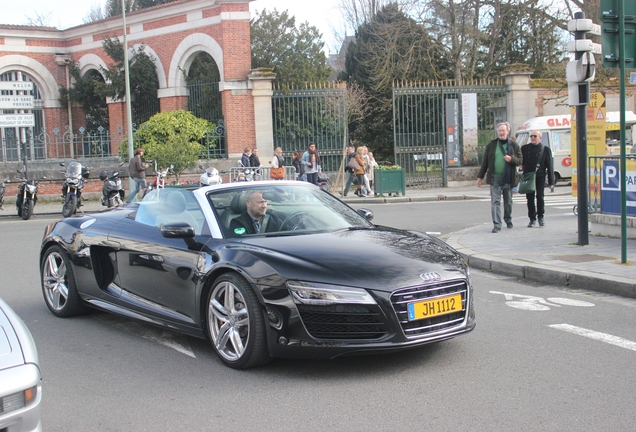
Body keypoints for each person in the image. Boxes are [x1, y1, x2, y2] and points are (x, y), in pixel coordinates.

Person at [477, 122, 523, 233]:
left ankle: (508, 218)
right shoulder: (492, 145)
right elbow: (485, 163)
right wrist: (480, 177)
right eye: (499, 131)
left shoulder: (514, 145)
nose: (501, 133)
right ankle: (497, 224)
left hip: (508, 177)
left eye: (503, 131)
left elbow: (520, 161)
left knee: (508, 202)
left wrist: (511, 159)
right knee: (495, 202)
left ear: (508, 131)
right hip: (495, 177)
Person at [521, 130, 555, 227]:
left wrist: (551, 181)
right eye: (531, 136)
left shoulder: (545, 149)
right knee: (529, 198)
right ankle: (532, 218)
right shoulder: (525, 148)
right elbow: (520, 161)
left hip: (540, 176)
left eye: (535, 136)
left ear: (540, 138)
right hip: (528, 176)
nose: (532, 138)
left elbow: (550, 166)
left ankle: (541, 216)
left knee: (540, 197)